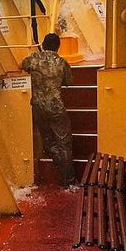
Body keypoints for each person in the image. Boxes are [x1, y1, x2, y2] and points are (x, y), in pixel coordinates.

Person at [21, 33, 77, 187]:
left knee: (49, 144)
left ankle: (62, 172)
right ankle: (69, 181)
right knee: (64, 143)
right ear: (58, 46)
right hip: (56, 107)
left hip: (38, 106)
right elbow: (69, 83)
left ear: (43, 45)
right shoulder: (62, 62)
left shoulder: (33, 59)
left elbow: (22, 66)